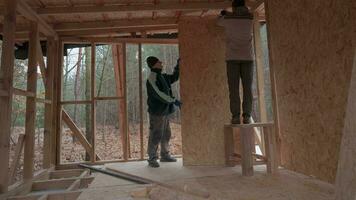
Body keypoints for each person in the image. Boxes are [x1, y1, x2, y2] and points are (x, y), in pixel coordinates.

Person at [217, 0, 254, 124]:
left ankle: (236, 116)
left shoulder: (228, 19)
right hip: (248, 58)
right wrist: (230, 14)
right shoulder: (249, 18)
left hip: (232, 58)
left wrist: (224, 13)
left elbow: (218, 21)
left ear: (233, 8)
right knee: (247, 88)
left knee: (234, 89)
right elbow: (242, 15)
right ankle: (247, 116)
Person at [146, 56, 182, 168]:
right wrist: (173, 100)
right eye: (159, 61)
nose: (161, 62)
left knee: (166, 134)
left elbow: (174, 77)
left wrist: (178, 65)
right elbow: (159, 94)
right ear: (154, 65)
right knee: (156, 134)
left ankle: (165, 155)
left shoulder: (162, 76)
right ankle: (152, 158)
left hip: (164, 111)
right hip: (157, 112)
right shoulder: (152, 78)